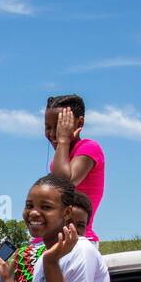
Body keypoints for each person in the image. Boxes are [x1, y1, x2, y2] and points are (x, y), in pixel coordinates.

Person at [0, 177, 114, 282]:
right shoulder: (44, 256)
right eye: (29, 206)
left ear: (66, 213)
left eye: (46, 207)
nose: (34, 213)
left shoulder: (81, 250)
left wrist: (51, 264)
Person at [44, 94, 104, 243]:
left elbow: (64, 183)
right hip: (57, 237)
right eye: (47, 127)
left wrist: (63, 140)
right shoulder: (59, 161)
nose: (52, 134)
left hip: (79, 239)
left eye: (59, 127)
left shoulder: (89, 148)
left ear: (79, 123)